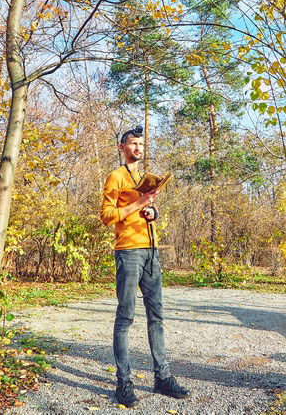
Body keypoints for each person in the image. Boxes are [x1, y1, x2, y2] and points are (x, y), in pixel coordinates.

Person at [100, 125, 189, 407]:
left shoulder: (144, 177)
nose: (138, 148)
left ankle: (162, 378)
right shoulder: (116, 176)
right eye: (132, 144)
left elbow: (145, 210)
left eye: (141, 144)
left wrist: (152, 211)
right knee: (125, 317)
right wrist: (138, 202)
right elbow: (107, 216)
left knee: (157, 316)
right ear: (122, 148)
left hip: (151, 251)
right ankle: (123, 383)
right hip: (128, 252)